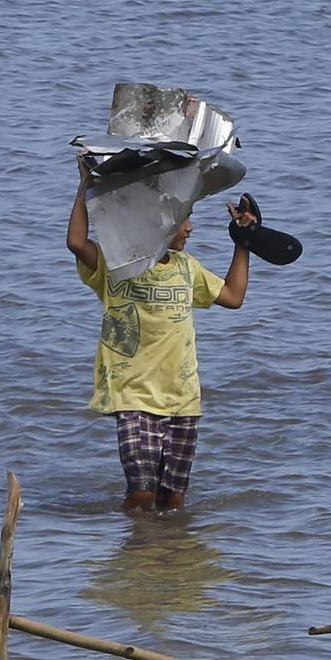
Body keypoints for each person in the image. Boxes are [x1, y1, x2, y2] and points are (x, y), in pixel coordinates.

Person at [66, 154, 253, 511]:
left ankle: (167, 559)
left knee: (173, 500)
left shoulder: (186, 268)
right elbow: (77, 242)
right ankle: (135, 555)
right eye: (185, 219)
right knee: (142, 494)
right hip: (134, 396)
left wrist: (243, 241)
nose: (190, 228)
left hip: (183, 398)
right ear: (160, 223)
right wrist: (86, 187)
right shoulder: (117, 264)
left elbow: (233, 296)